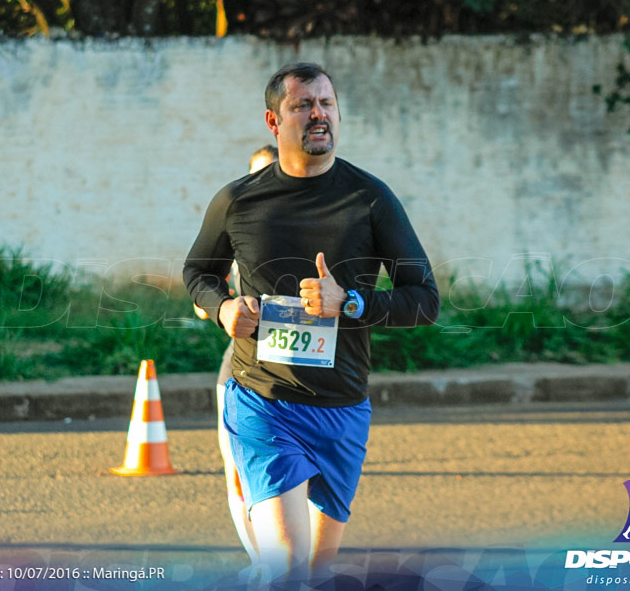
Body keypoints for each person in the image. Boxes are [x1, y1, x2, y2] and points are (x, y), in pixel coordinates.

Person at [183, 62, 440, 585]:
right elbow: (197, 274)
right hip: (263, 399)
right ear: (274, 122)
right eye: (302, 105)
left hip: (342, 406)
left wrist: (350, 303)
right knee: (288, 565)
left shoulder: (370, 199)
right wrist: (223, 308)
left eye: (326, 103)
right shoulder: (238, 201)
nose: (318, 114)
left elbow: (424, 300)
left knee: (318, 574)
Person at [194, 144, 278, 571]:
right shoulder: (236, 228)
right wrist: (223, 307)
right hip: (241, 369)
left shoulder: (314, 231)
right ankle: (262, 561)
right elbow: (202, 292)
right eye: (257, 177)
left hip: (307, 377)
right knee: (238, 468)